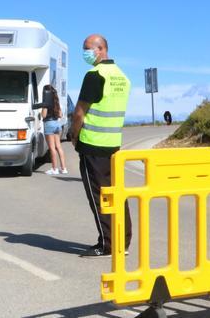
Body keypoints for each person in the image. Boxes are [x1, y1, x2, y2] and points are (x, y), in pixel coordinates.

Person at [68, 34, 132, 258]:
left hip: (93, 145)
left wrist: (73, 135)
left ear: (101, 49)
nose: (84, 53)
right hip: (113, 144)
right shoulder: (122, 77)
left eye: (87, 49)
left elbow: (79, 112)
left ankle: (106, 244)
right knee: (117, 194)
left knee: (98, 196)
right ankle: (123, 241)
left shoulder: (95, 75)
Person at [41, 84, 68, 175]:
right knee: (59, 147)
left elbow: (44, 115)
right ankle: (63, 168)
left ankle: (54, 168)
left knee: (52, 148)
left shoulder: (46, 102)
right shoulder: (56, 101)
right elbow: (60, 115)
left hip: (49, 124)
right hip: (57, 124)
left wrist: (42, 110)